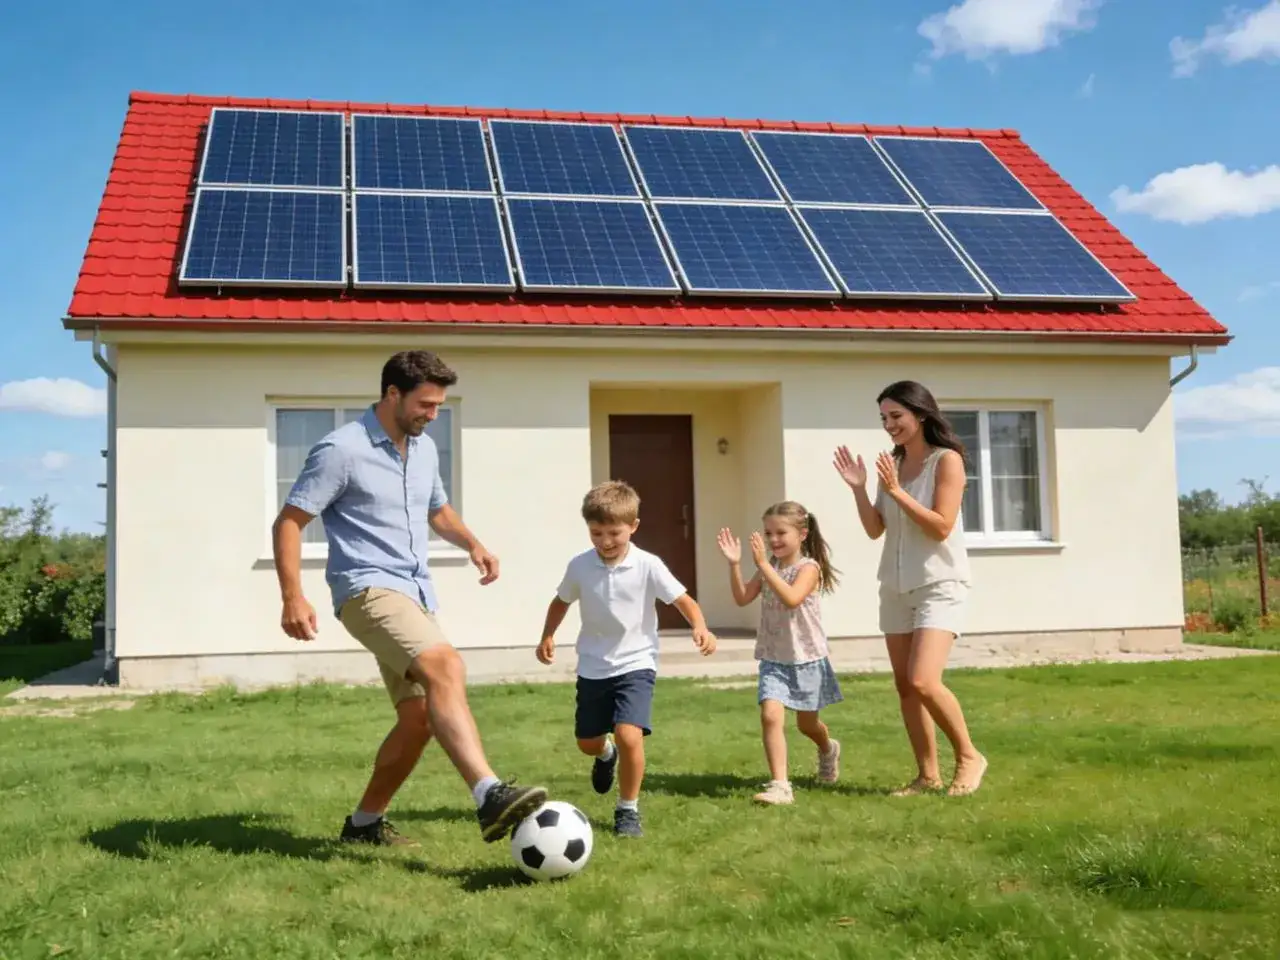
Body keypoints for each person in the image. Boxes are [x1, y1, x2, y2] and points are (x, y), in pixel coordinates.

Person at [272, 349, 548, 847]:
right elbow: (290, 521)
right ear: (392, 394)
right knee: (447, 667)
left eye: (439, 405)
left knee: (420, 717)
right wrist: (293, 596)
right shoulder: (341, 449)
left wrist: (474, 545)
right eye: (425, 404)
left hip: (415, 592)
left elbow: (437, 510)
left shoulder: (422, 449)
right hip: (367, 588)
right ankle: (488, 794)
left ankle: (363, 825)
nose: (432, 415)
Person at [832, 379, 987, 797]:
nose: (889, 425)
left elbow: (940, 526)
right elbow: (874, 529)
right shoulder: (892, 465)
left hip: (940, 584)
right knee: (905, 686)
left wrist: (898, 492)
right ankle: (927, 775)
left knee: (922, 679)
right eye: (884, 418)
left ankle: (970, 756)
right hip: (895, 587)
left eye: (896, 416)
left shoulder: (946, 461)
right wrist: (860, 489)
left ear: (920, 414)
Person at [536, 480, 717, 838]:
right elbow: (561, 601)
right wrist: (548, 635)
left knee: (629, 734)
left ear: (633, 527)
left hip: (636, 662)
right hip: (593, 664)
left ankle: (627, 810)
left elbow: (683, 600)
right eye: (596, 533)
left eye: (614, 533)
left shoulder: (648, 565)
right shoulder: (580, 566)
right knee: (588, 741)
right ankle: (605, 756)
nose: (605, 541)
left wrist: (701, 627)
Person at [716, 502, 843, 806]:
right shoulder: (769, 567)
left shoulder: (808, 568)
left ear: (802, 534)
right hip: (774, 658)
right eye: (768, 533)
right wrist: (735, 564)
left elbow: (791, 598)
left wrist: (762, 565)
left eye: (780, 533)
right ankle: (780, 785)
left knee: (806, 725)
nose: (773, 540)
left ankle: (828, 748)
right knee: (770, 715)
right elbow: (742, 597)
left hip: (806, 658)